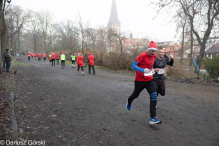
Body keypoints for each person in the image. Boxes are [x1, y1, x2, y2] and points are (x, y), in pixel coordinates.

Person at [126, 41, 161, 124]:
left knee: (154, 96)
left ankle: (153, 118)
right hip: (140, 80)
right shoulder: (142, 55)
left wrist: (152, 71)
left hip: (149, 80)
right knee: (135, 95)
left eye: (155, 51)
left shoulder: (154, 55)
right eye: (152, 51)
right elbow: (133, 65)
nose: (153, 53)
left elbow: (150, 66)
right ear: (148, 49)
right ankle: (129, 100)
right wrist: (142, 70)